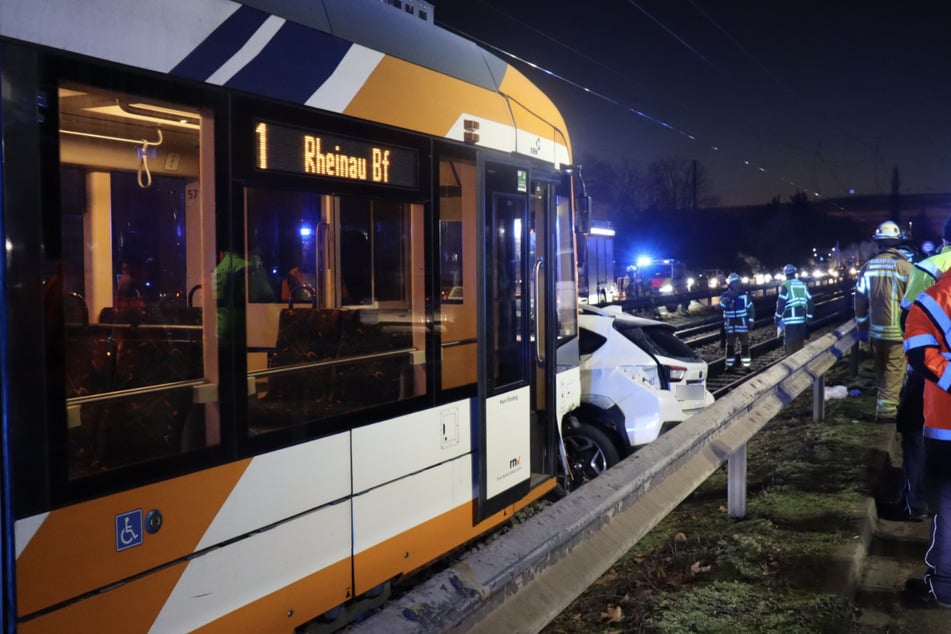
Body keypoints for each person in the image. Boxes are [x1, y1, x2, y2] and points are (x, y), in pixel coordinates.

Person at [891, 216, 951, 521]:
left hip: (932, 374)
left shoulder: (928, 267)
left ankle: (916, 502)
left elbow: (908, 322)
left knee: (914, 430)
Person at [902, 266, 951, 607]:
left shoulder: (934, 299)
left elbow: (919, 353)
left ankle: (945, 588)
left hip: (947, 424)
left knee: (948, 506)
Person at [854, 220, 912, 422]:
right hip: (898, 333)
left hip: (876, 333)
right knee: (894, 372)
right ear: (898, 243)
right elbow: (914, 302)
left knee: (881, 371)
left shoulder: (867, 267)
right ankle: (887, 415)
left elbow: (860, 301)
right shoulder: (906, 268)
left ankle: (883, 406)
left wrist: (862, 327)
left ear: (878, 243)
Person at [718, 272, 754, 372]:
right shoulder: (725, 296)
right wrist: (726, 301)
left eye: (738, 283)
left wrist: (750, 321)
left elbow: (751, 309)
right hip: (730, 327)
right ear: (731, 284)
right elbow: (719, 307)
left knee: (745, 346)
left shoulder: (745, 296)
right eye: (735, 283)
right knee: (730, 347)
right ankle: (729, 366)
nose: (738, 285)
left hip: (742, 326)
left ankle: (746, 366)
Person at [774, 264, 813, 355]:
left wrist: (777, 318)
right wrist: (809, 319)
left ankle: (792, 368)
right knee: (799, 346)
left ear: (785, 275)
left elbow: (781, 305)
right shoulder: (803, 285)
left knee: (790, 348)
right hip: (801, 321)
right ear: (795, 273)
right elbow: (811, 303)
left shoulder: (786, 286)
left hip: (790, 323)